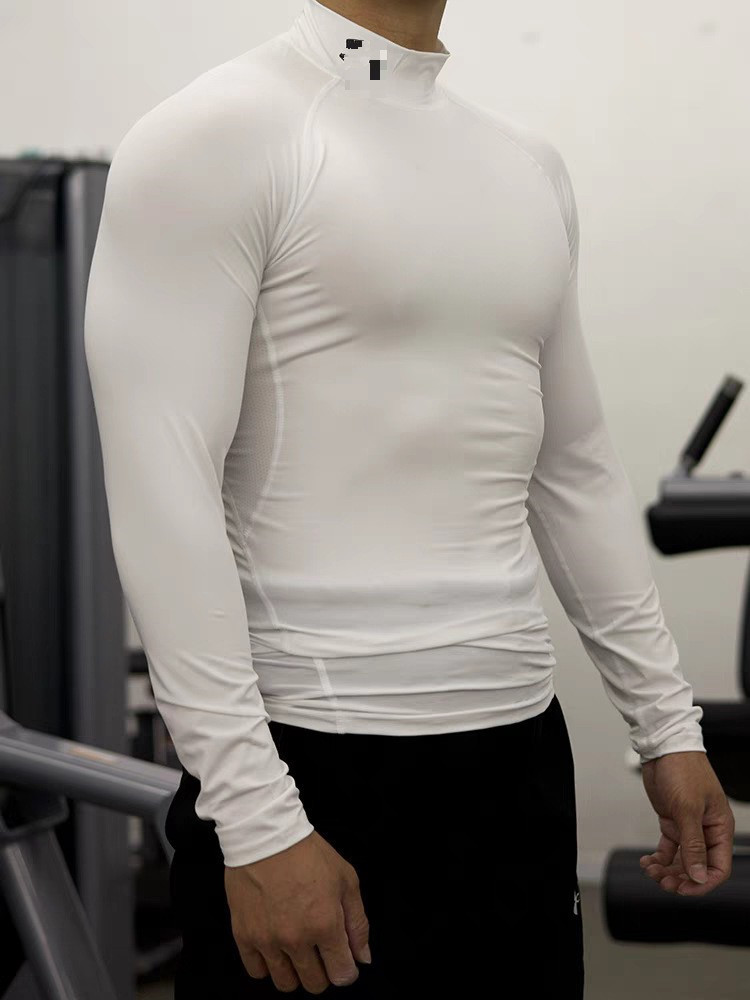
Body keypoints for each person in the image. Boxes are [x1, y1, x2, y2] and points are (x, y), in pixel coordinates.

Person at [83, 0, 735, 996]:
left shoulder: (527, 166)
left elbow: (573, 467)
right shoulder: (214, 135)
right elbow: (161, 488)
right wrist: (255, 815)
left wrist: (667, 722)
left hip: (518, 757)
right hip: (313, 768)